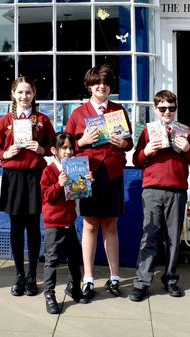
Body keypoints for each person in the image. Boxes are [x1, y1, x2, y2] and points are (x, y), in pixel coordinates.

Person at [65, 64, 133, 303]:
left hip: (112, 173)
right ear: (89, 86)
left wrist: (124, 144)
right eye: (96, 83)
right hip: (87, 175)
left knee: (111, 225)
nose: (101, 86)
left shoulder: (118, 110)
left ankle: (115, 277)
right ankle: (89, 278)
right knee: (90, 226)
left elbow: (130, 142)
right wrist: (81, 141)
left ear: (109, 87)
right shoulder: (78, 113)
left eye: (105, 83)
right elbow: (67, 147)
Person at [129, 90, 190, 302]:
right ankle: (142, 282)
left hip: (177, 190)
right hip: (152, 189)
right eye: (162, 108)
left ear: (176, 109)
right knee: (149, 236)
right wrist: (146, 151)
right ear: (155, 109)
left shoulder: (185, 131)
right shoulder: (147, 131)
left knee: (172, 238)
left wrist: (187, 149)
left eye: (171, 108)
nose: (167, 112)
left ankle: (170, 279)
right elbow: (136, 160)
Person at [0, 76, 56, 297]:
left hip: (36, 176)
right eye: (20, 92)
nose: (24, 96)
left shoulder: (43, 121)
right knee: (16, 228)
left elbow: (53, 147)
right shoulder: (5, 121)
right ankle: (18, 275)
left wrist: (42, 150)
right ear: (13, 94)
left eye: (28, 92)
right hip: (13, 177)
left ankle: (31, 276)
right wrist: (5, 154)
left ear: (34, 93)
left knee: (34, 227)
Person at [41, 132, 93, 314]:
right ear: (54, 150)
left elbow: (79, 193)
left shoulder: (75, 168)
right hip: (53, 223)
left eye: (71, 148)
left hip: (69, 221)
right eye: (64, 148)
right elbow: (47, 197)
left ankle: (74, 288)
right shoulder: (49, 171)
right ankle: (49, 294)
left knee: (74, 258)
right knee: (52, 260)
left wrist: (86, 182)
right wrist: (58, 184)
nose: (69, 152)